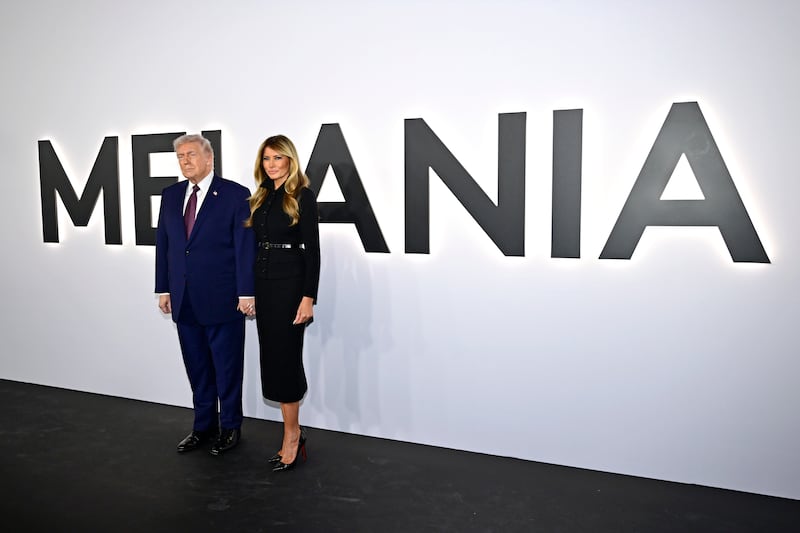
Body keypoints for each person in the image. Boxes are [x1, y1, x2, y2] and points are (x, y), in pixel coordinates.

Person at [155, 134, 256, 455]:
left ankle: (230, 427)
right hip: (184, 299)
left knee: (227, 368)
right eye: (181, 156)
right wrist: (163, 287)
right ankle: (202, 426)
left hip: (223, 298)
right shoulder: (170, 195)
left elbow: (244, 248)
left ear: (209, 159)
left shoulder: (235, 195)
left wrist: (246, 292)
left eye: (191, 155)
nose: (185, 161)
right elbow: (165, 246)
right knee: (197, 367)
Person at [246, 135, 320, 472]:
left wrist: (308, 297)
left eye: (278, 158)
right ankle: (292, 431)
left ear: (290, 160)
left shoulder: (302, 196)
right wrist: (248, 292)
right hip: (264, 284)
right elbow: (252, 247)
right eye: (266, 159)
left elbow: (313, 253)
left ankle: (292, 435)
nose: (271, 164)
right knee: (272, 358)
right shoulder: (261, 197)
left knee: (286, 359)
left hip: (291, 286)